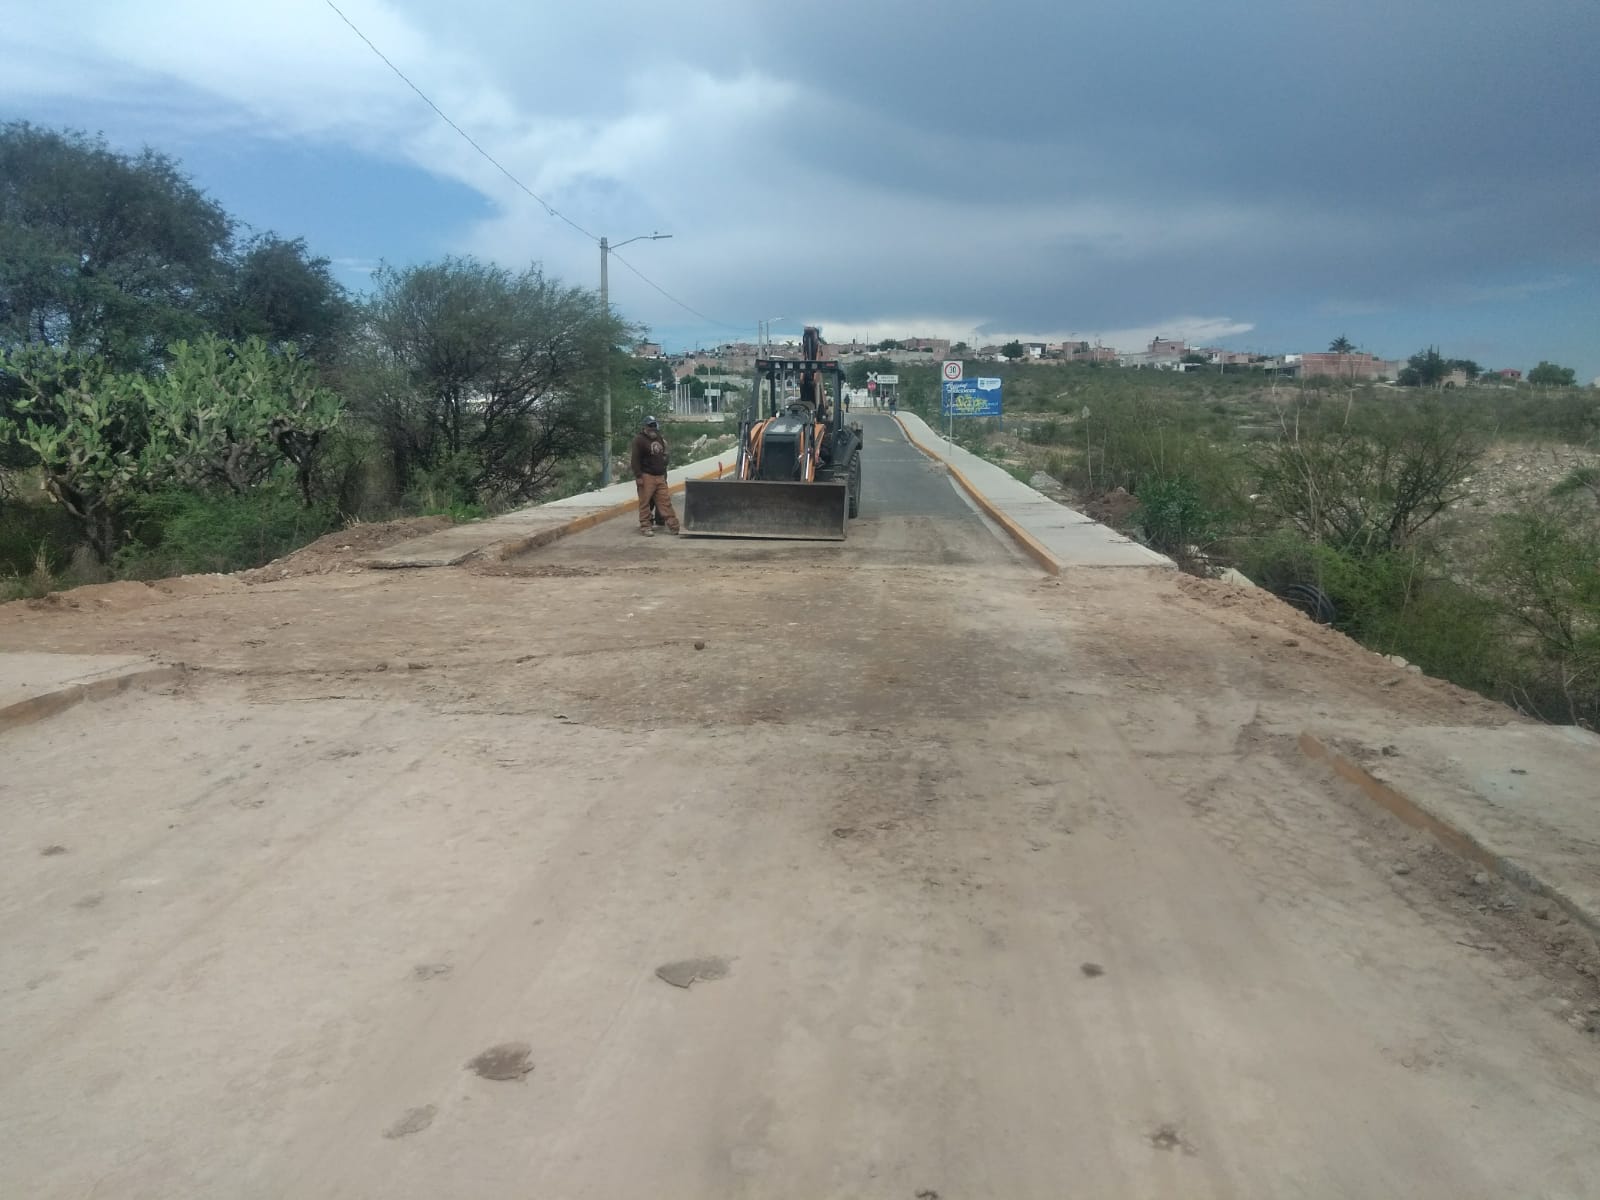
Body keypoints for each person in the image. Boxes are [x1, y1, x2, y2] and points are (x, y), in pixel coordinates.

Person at [630, 416, 679, 537]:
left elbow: (663, 454)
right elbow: (635, 459)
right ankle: (646, 526)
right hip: (647, 476)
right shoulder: (639, 440)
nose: (653, 428)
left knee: (665, 502)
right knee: (645, 503)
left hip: (660, 476)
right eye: (650, 426)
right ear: (645, 427)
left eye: (654, 425)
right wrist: (638, 476)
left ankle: (674, 526)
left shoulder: (659, 438)